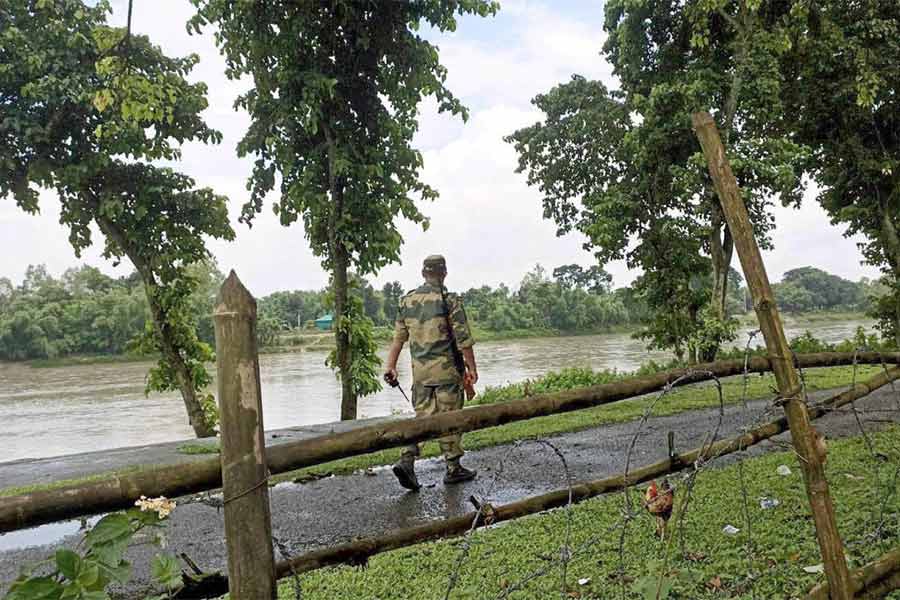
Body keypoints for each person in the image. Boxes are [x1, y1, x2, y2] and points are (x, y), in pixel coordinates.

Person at [383, 255, 478, 490]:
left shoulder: (407, 301)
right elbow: (463, 340)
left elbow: (398, 340)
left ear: (423, 273)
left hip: (421, 376)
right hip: (447, 373)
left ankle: (407, 459)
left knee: (422, 418)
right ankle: (453, 467)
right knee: (449, 418)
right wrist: (472, 368)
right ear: (444, 273)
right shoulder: (450, 299)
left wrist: (391, 366)